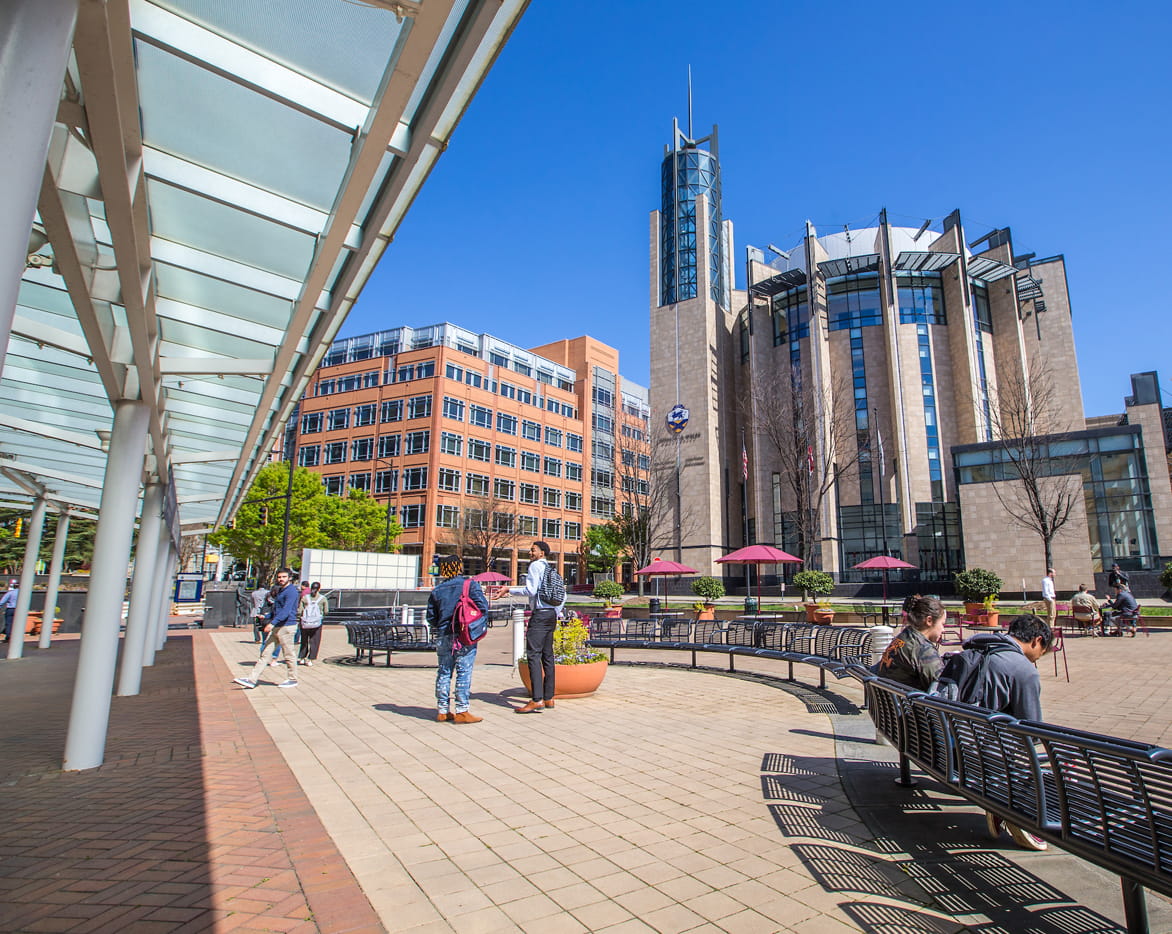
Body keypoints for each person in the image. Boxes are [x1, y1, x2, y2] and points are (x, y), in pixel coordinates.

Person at [955, 614, 1054, 851]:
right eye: (1043, 650)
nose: (1040, 657)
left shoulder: (970, 652)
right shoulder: (1023, 670)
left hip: (947, 751)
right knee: (1047, 765)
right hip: (981, 759)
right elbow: (1031, 731)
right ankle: (1019, 815)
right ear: (1036, 640)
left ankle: (998, 802)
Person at [427, 555, 490, 723]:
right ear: (459, 567)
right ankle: (462, 710)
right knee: (464, 670)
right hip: (463, 634)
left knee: (444, 671)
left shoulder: (437, 590)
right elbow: (483, 608)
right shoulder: (470, 585)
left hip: (443, 634)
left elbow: (431, 616)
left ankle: (442, 709)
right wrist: (476, 627)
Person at [507, 541, 563, 713]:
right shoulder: (551, 569)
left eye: (533, 550)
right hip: (551, 614)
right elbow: (563, 594)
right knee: (548, 656)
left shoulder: (534, 567)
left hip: (539, 615)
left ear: (542, 553)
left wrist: (510, 590)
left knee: (533, 655)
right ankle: (549, 697)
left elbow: (531, 590)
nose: (530, 552)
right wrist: (556, 612)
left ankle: (536, 699)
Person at [235, 568, 299, 689]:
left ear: (289, 578)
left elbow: (286, 610)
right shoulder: (281, 590)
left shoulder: (291, 592)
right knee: (265, 654)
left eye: (284, 577)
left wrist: (272, 623)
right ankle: (252, 679)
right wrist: (267, 616)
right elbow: (277, 609)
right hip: (278, 626)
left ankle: (293, 679)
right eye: (279, 577)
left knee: (289, 654)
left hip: (286, 627)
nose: (281, 579)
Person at [876, 596, 945, 691]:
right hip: (909, 703)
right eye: (942, 624)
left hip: (890, 701)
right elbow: (940, 688)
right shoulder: (923, 649)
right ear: (929, 620)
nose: (943, 629)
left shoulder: (903, 637)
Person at [297, 582, 328, 666]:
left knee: (304, 640)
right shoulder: (323, 598)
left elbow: (300, 610)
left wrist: (300, 617)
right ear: (319, 589)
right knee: (314, 641)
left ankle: (302, 657)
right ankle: (310, 659)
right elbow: (326, 611)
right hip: (316, 623)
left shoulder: (305, 598)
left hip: (305, 622)